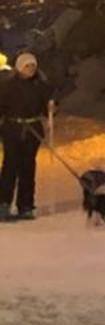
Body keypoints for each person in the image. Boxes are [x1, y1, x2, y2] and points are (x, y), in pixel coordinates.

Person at [0, 53, 54, 222]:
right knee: (10, 166)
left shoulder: (41, 85)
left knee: (28, 167)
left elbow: (47, 107)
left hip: (32, 130)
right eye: (27, 66)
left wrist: (52, 107)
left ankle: (26, 205)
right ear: (19, 68)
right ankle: (3, 203)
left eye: (33, 66)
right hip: (12, 129)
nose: (30, 69)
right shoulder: (8, 85)